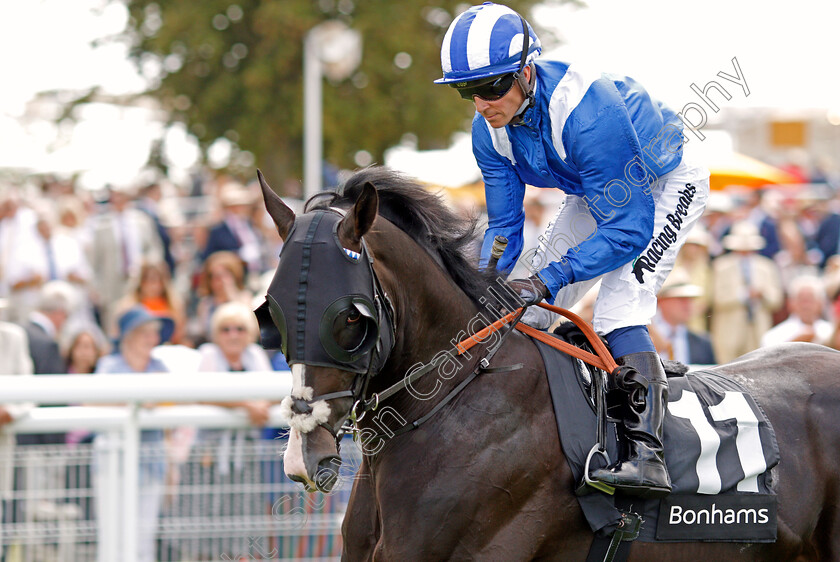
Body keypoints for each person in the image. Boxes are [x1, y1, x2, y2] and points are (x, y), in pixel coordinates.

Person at [435, 2, 710, 497]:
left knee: (617, 308)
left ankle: (647, 453)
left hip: (664, 183)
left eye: (492, 87)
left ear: (525, 70)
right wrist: (482, 288)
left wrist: (547, 278)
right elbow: (504, 226)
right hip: (598, 188)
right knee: (530, 310)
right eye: (466, 91)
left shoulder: (587, 112)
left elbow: (629, 230)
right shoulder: (488, 131)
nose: (481, 104)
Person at [93, 305, 174, 562]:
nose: (152, 339)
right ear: (129, 336)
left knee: (144, 538)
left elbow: (173, 405)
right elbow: (91, 402)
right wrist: (138, 401)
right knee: (111, 536)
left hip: (151, 463)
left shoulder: (161, 367)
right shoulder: (109, 366)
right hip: (111, 463)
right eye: (145, 332)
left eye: (154, 333)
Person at [710, 221, 784, 362]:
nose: (745, 252)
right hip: (729, 331)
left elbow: (777, 300)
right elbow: (716, 299)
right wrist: (744, 295)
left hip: (758, 329)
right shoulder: (721, 266)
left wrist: (762, 295)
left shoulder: (767, 266)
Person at [650, 269, 716, 365]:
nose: (687, 305)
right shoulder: (645, 341)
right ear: (661, 301)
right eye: (681, 299)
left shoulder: (703, 343)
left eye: (690, 299)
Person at [760, 275, 832, 348]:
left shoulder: (831, 332)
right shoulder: (774, 336)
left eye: (810, 300)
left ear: (821, 303)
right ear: (790, 303)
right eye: (801, 300)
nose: (806, 306)